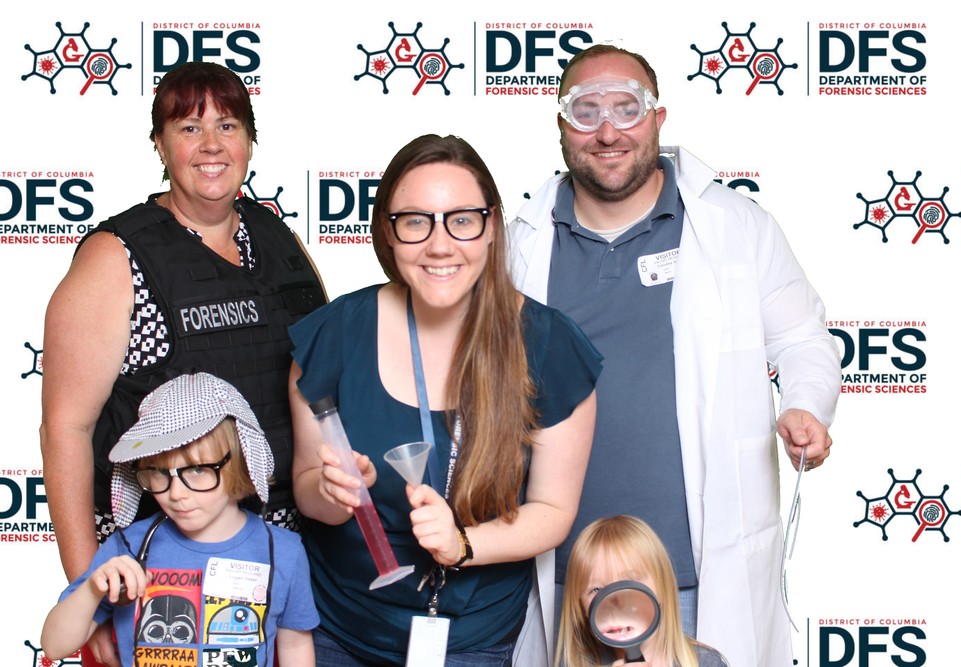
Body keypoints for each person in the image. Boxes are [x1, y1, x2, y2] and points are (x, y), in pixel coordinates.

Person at [508, 44, 841, 666]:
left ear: (658, 118)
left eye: (626, 108)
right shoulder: (520, 241)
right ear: (561, 125)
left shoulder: (736, 225)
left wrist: (805, 406)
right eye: (586, 112)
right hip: (566, 576)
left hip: (693, 577)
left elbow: (802, 340)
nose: (608, 132)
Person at [39, 61, 325, 666]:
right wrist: (90, 590)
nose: (212, 144)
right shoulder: (116, 256)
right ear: (160, 144)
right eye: (189, 128)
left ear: (250, 141)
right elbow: (66, 428)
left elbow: (319, 383)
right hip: (162, 566)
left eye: (228, 125)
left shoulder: (279, 239)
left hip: (278, 554)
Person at [288, 134, 602, 666]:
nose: (439, 245)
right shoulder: (334, 335)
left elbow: (552, 512)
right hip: (341, 632)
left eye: (462, 220)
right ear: (387, 232)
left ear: (492, 226)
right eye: (415, 221)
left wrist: (463, 544)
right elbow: (305, 488)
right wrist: (332, 492)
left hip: (471, 640)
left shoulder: (549, 347)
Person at [41, 372, 319, 667]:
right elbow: (54, 646)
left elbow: (295, 646)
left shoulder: (284, 552)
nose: (175, 493)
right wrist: (92, 589)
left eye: (197, 470)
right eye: (159, 472)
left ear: (241, 461)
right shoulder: (127, 548)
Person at [558, 516, 728, 667]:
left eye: (630, 582)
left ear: (663, 587)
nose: (616, 601)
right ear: (580, 607)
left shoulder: (707, 662)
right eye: (597, 589)